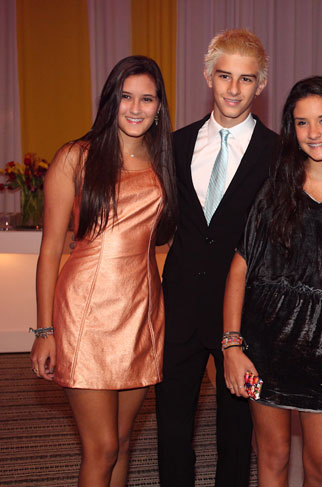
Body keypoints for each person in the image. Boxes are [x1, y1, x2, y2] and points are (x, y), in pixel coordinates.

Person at [222, 76, 322, 487]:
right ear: (291, 130)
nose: (313, 133)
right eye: (301, 123)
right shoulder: (274, 190)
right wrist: (231, 345)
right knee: (272, 459)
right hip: (264, 347)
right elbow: (240, 267)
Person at [29, 55, 176, 486]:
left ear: (159, 107)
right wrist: (44, 331)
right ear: (110, 101)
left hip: (141, 311)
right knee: (103, 447)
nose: (135, 107)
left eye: (146, 99)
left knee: (125, 440)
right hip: (86, 313)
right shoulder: (76, 157)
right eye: (126, 96)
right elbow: (50, 250)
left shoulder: (164, 160)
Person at [155, 29, 278, 487]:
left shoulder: (279, 153)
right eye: (224, 75)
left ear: (261, 85)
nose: (233, 88)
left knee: (236, 431)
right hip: (178, 307)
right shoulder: (174, 144)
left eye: (245, 79)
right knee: (171, 427)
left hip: (244, 316)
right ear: (208, 75)